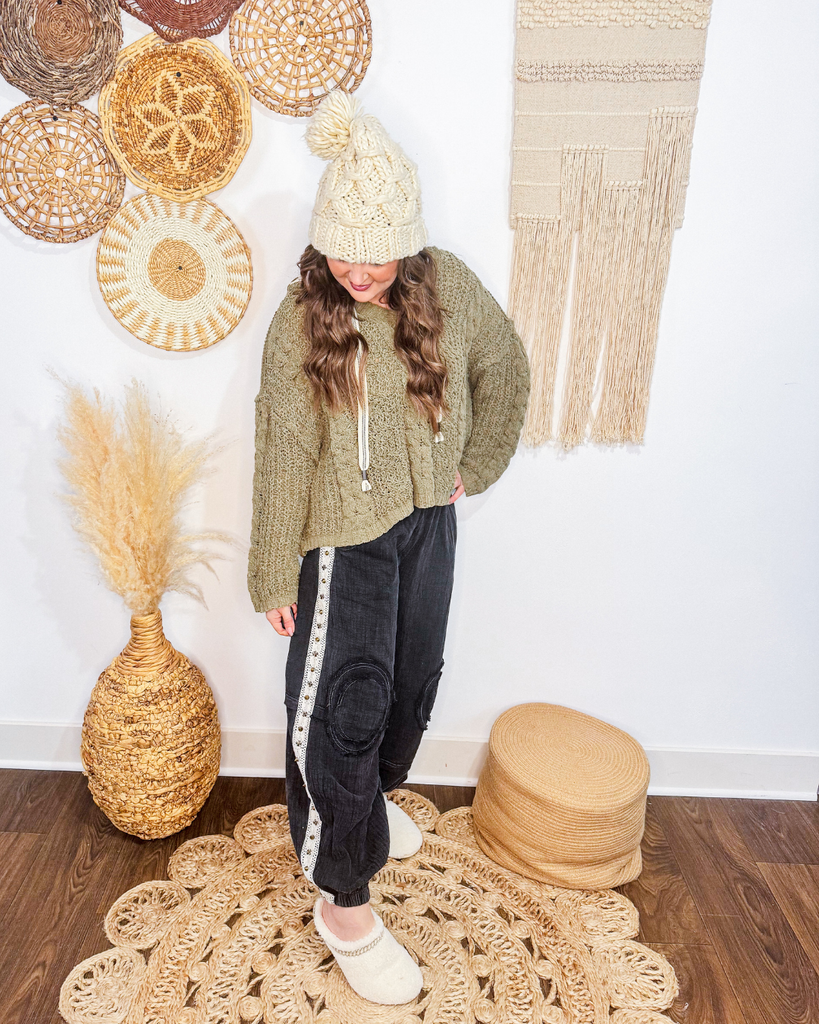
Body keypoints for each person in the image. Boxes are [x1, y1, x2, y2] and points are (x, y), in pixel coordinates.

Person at [247, 90, 529, 1005]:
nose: (360, 271)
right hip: (343, 543)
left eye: (378, 252)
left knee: (411, 689)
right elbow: (283, 449)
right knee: (347, 707)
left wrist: (474, 466)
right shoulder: (302, 320)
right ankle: (344, 901)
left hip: (426, 526)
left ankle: (367, 805)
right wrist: (272, 568)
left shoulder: (446, 287)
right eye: (344, 250)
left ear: (407, 240)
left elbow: (504, 365)